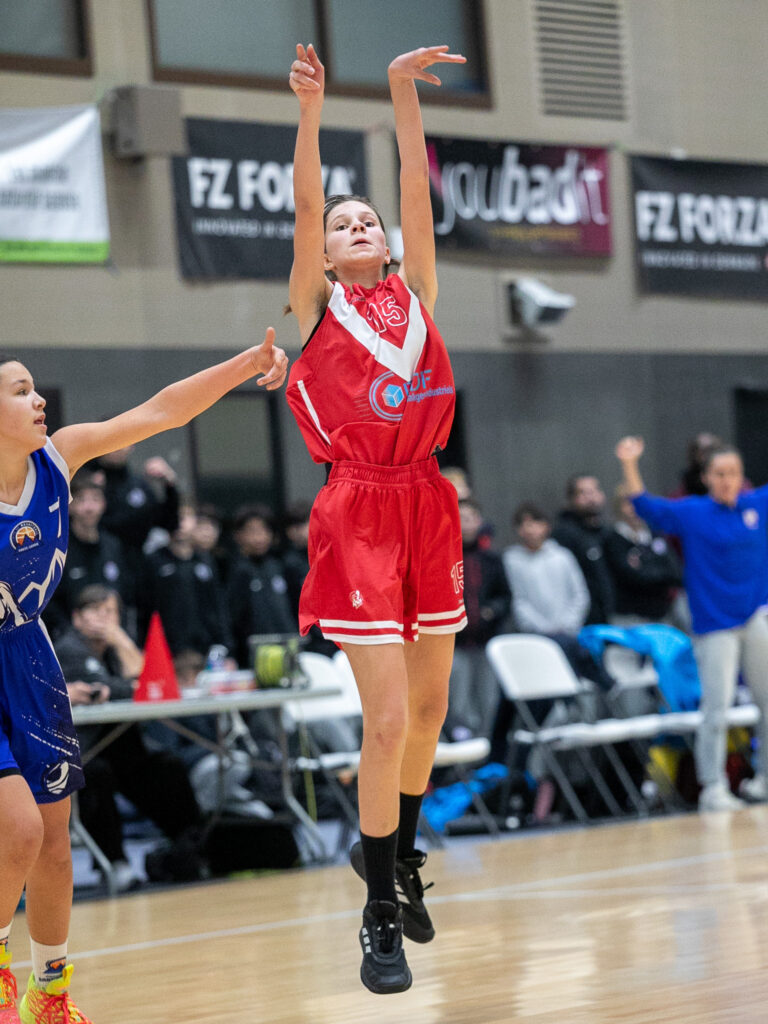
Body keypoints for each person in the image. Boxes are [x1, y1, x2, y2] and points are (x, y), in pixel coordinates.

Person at [0, 333, 286, 1022]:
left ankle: (49, 996)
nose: (38, 400)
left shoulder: (59, 457)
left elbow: (162, 410)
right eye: (20, 390)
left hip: (29, 655)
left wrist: (245, 365)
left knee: (55, 846)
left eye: (35, 388)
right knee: (19, 832)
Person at [285, 42, 467, 994]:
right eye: (341, 224)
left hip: (428, 501)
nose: (356, 225)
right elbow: (307, 201)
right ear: (323, 253)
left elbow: (415, 189)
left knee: (431, 711)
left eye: (368, 222)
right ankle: (378, 919)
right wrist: (312, 112)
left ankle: (395, 855)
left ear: (389, 245)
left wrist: (401, 92)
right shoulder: (317, 308)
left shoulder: (419, 291)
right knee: (388, 719)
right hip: (357, 508)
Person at [615, 436, 768, 812]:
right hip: (715, 625)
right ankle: (713, 787)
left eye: (733, 473)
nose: (727, 480)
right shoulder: (693, 512)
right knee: (716, 707)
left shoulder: (756, 505)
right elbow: (645, 505)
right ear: (707, 478)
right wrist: (629, 463)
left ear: (742, 476)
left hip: (755, 617)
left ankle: (764, 779)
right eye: (720, 473)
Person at [56, 586, 206, 891]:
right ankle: (114, 863)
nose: (104, 619)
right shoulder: (68, 648)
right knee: (98, 775)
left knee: (166, 767)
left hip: (119, 744)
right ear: (77, 618)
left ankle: (190, 848)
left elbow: (150, 679)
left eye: (110, 612)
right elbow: (107, 687)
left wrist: (122, 641)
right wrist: (127, 685)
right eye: (95, 611)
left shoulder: (113, 649)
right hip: (80, 748)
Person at [445, 499, 510, 740]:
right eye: (460, 518)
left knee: (488, 700)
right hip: (455, 644)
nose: (465, 524)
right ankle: (462, 748)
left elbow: (505, 597)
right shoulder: (442, 557)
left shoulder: (491, 559)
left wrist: (491, 611)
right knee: (457, 699)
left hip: (486, 641)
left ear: (479, 522)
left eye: (470, 518)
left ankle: (487, 747)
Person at [44, 471, 134, 641]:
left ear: (104, 504)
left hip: (111, 636)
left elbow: (125, 594)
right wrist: (70, 633)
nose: (89, 508)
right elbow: (49, 601)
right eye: (81, 500)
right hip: (69, 639)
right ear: (69, 505)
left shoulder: (113, 545)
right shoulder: (57, 548)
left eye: (95, 499)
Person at [138, 503, 233, 657]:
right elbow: (144, 609)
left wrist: (225, 644)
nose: (179, 522)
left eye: (186, 517)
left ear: (195, 521)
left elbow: (217, 606)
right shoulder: (153, 561)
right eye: (176, 517)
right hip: (166, 649)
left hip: (205, 649)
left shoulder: (205, 560)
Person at [226, 505, 297, 668]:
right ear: (238, 535)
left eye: (264, 530)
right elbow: (232, 617)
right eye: (252, 531)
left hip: (287, 648)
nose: (259, 537)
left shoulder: (278, 566)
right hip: (253, 654)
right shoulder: (235, 570)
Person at [553, 473, 615, 625]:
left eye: (594, 491)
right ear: (571, 499)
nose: (591, 498)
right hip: (580, 620)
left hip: (611, 616)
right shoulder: (563, 535)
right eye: (583, 493)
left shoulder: (608, 532)